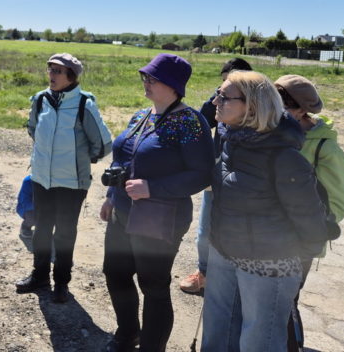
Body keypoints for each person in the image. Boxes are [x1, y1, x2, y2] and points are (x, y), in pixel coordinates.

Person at [201, 71, 328, 352]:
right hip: (224, 252)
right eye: (217, 93)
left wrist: (292, 257)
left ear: (253, 106)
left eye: (224, 97)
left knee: (259, 342)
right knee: (218, 334)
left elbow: (309, 219)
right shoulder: (231, 141)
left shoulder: (285, 158)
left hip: (268, 265)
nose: (215, 102)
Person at [100, 53, 213, 351]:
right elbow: (123, 156)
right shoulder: (142, 115)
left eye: (153, 78)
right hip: (123, 212)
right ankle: (128, 334)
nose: (146, 82)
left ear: (173, 85)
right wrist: (111, 196)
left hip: (160, 219)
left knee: (153, 286)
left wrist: (153, 188)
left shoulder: (190, 122)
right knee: (115, 273)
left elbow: (202, 174)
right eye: (145, 77)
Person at [15, 53, 113, 304]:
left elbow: (103, 144)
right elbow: (33, 129)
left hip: (72, 183)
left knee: (65, 234)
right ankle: (39, 276)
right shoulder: (40, 99)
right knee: (41, 230)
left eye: (58, 71)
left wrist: (79, 161)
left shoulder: (84, 105)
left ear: (71, 76)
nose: (51, 74)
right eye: (50, 69)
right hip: (41, 179)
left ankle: (61, 283)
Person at [273, 74, 344, 350]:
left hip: (299, 244)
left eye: (280, 106)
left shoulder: (325, 148)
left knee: (286, 304)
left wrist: (306, 227)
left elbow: (338, 205)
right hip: (267, 237)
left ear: (300, 110)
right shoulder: (274, 133)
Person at [180, 57, 252, 295]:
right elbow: (201, 122)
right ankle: (204, 273)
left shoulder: (261, 113)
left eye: (231, 84)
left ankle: (234, 279)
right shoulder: (219, 102)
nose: (222, 91)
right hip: (217, 176)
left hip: (245, 185)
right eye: (222, 84)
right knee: (204, 234)